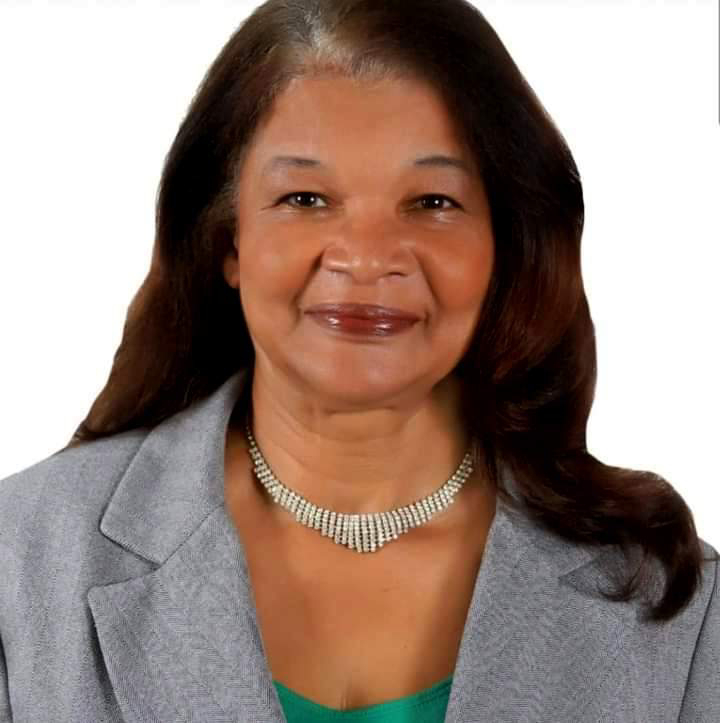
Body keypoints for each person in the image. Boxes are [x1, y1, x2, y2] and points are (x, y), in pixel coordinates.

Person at [0, 0, 717, 721]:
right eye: (305, 197)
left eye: (432, 201)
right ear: (228, 239)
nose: (368, 258)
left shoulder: (677, 606)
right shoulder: (20, 558)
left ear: (506, 246)